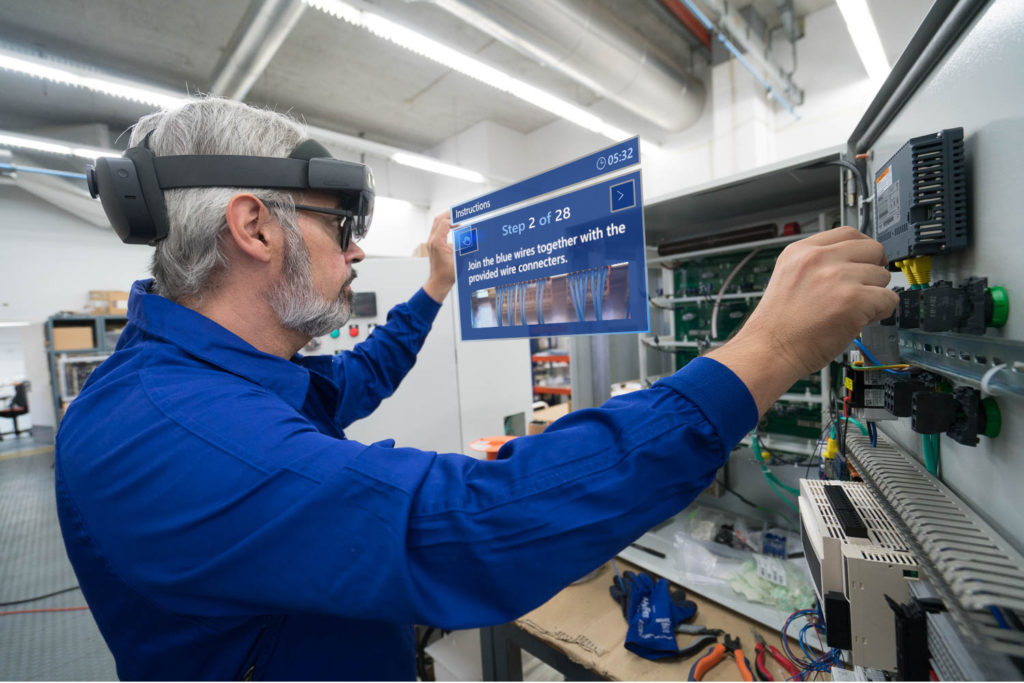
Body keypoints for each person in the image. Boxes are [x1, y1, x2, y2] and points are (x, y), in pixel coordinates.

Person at [55, 97, 897, 681]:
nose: (352, 253)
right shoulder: (170, 433)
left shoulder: (205, 380)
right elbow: (465, 522)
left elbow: (355, 379)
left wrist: (434, 287)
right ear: (254, 227)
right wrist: (768, 350)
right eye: (338, 224)